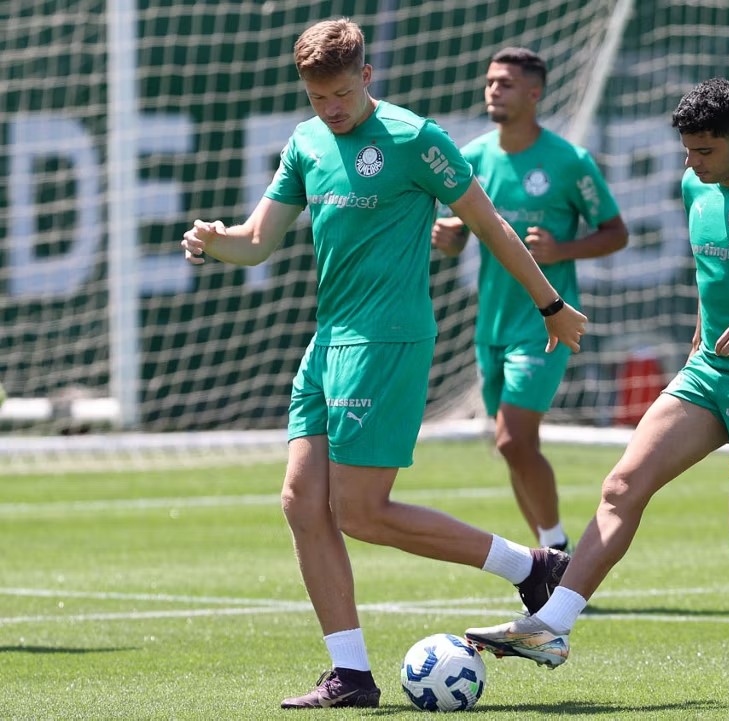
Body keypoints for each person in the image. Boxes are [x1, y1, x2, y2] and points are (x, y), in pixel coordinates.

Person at [180, 19, 586, 709]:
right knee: (301, 502)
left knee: (362, 513)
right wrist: (215, 241)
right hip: (327, 343)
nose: (331, 109)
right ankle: (351, 675)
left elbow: (490, 225)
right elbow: (256, 242)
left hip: (386, 341)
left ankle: (531, 566)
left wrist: (550, 305)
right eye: (317, 98)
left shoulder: (414, 138)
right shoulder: (307, 142)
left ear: (366, 77)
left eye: (341, 94)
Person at [465, 78, 729, 705]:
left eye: (704, 151)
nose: (691, 163)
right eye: (686, 150)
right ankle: (552, 626)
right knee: (622, 485)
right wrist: (701, 338)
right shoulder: (694, 184)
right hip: (709, 371)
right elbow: (714, 273)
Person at [432, 48, 628, 554]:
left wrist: (563, 250)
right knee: (514, 448)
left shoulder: (569, 161)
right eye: (490, 81)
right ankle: (548, 557)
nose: (494, 90)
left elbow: (616, 232)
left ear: (535, 93)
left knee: (512, 439)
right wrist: (450, 238)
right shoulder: (473, 158)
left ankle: (559, 551)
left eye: (507, 83)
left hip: (544, 326)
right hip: (491, 327)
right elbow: (460, 233)